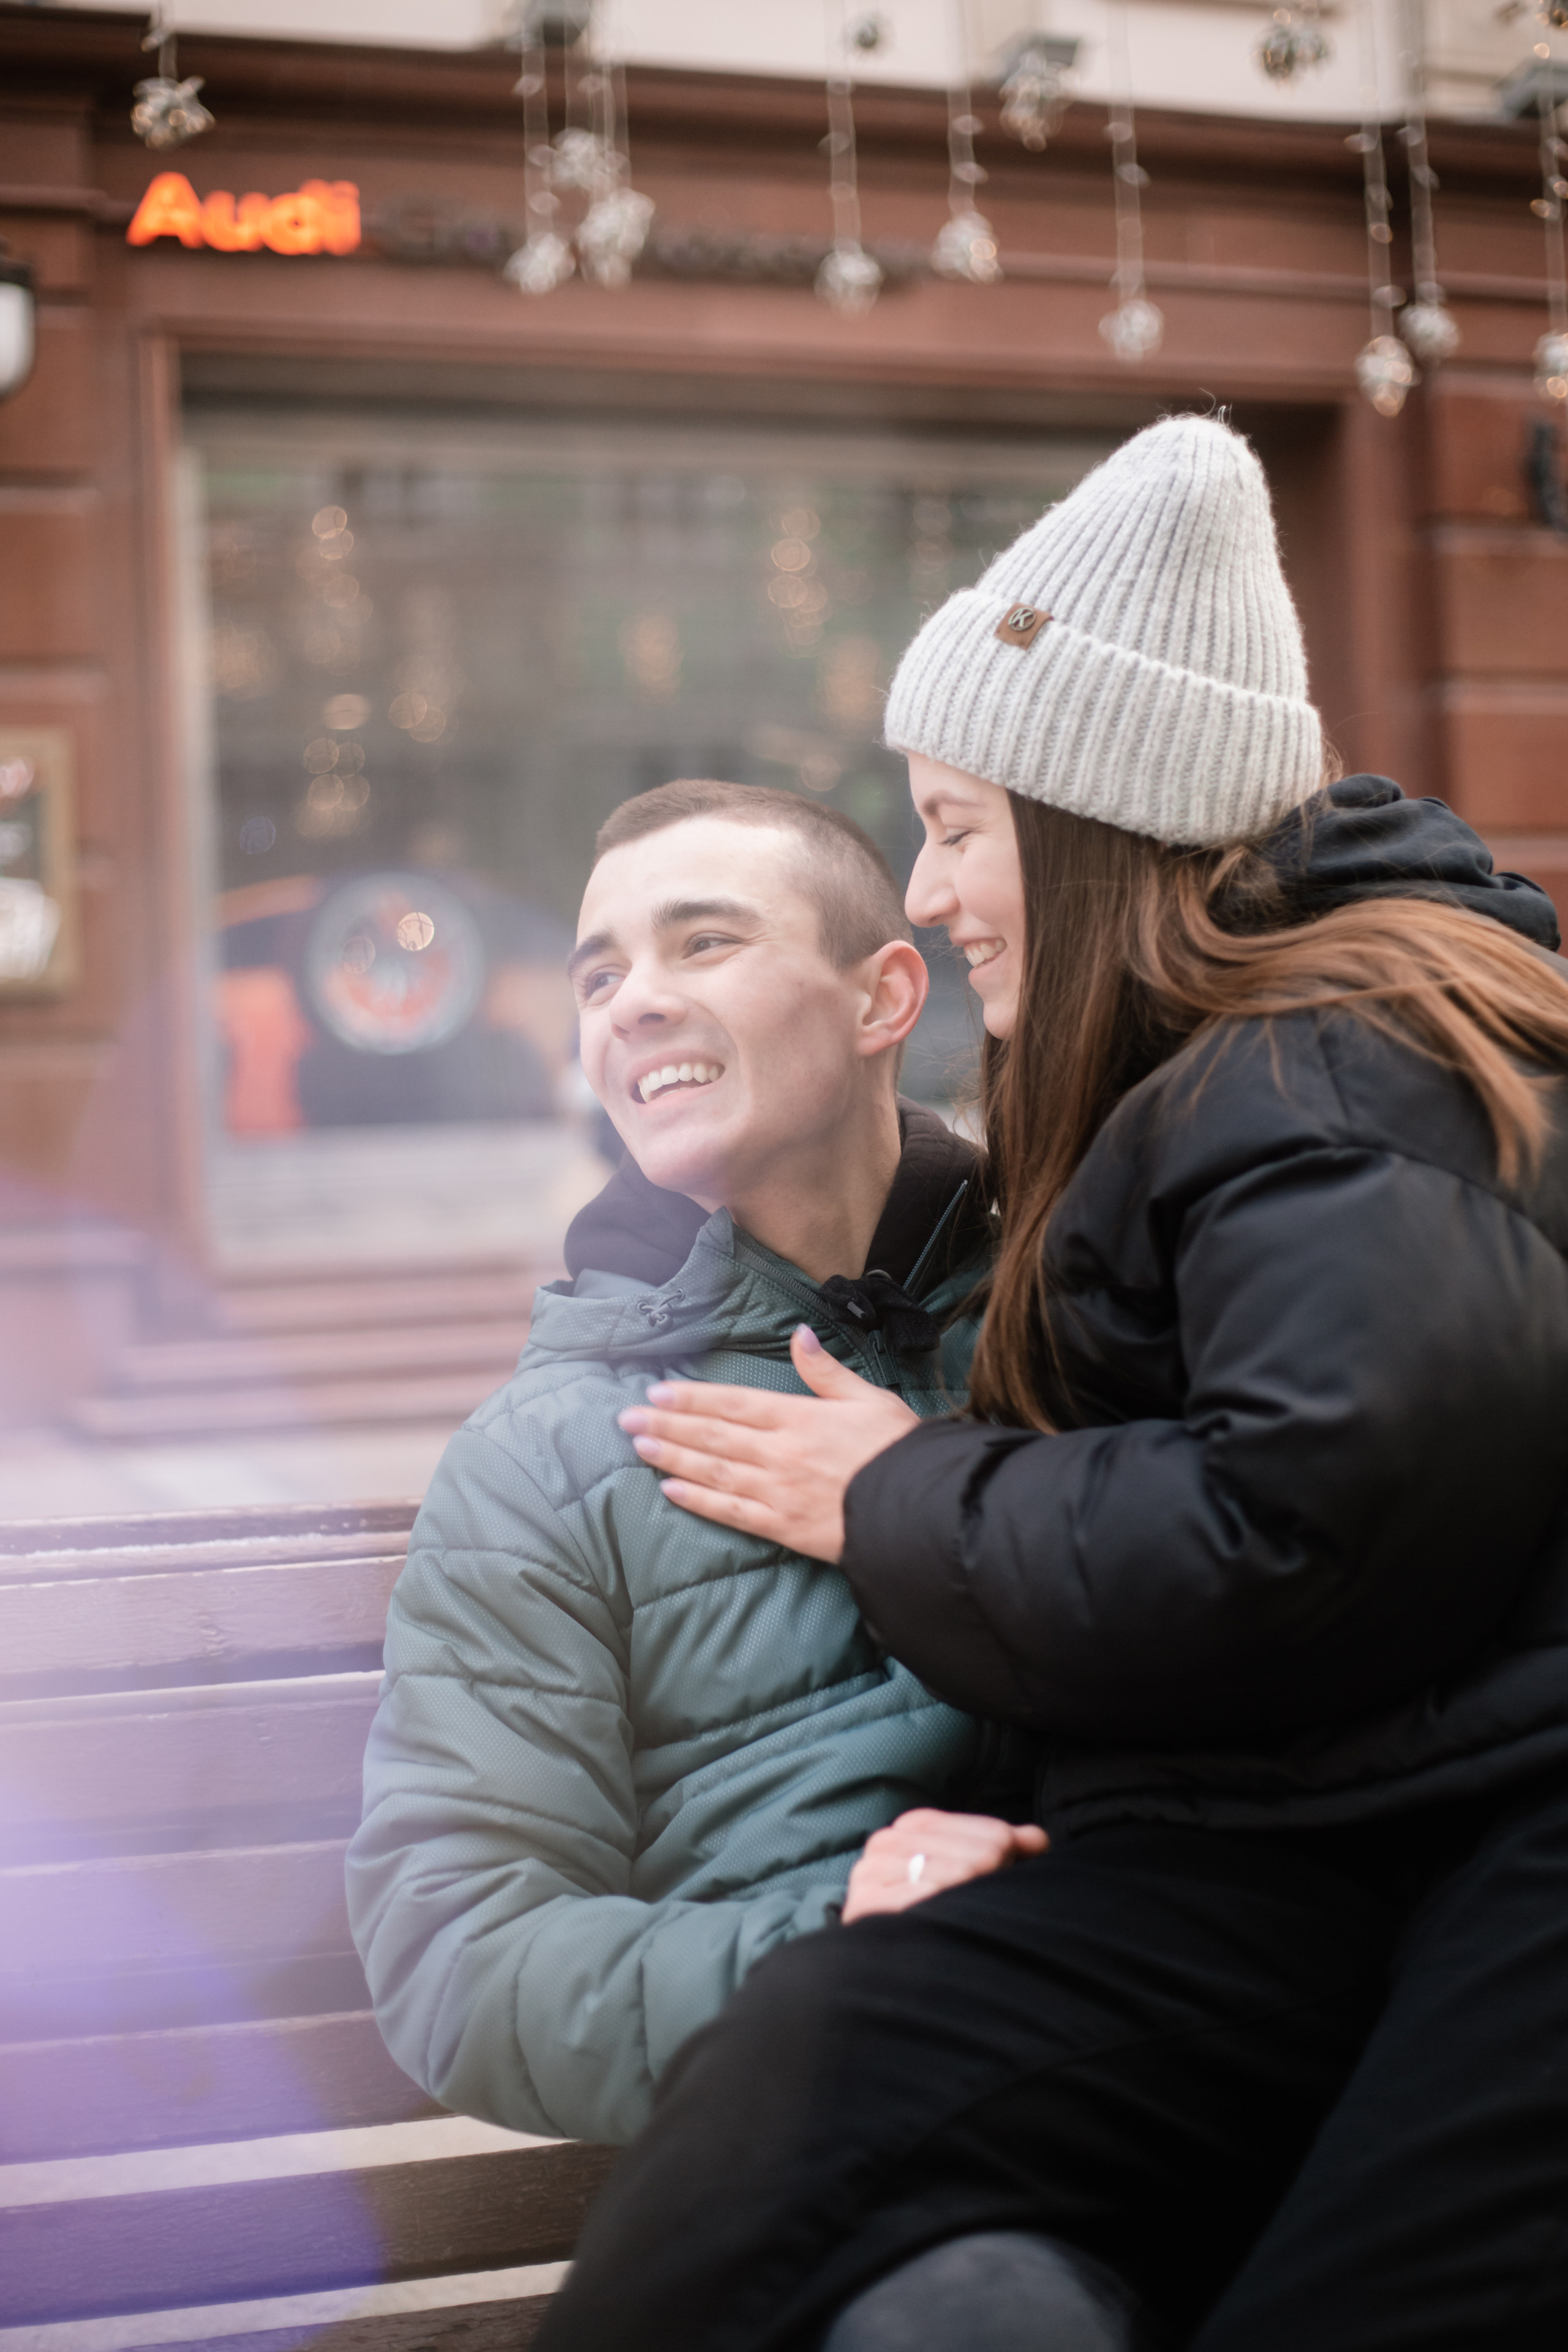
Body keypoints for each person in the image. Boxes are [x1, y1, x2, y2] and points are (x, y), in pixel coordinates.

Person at [537, 418, 1568, 2350]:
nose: (931, 889)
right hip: (1340, 1845)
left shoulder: (1318, 1071)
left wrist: (894, 1493)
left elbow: (1306, 1524)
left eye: (958, 820)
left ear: (1096, 825)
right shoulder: (1253, 1072)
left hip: (1436, 1859)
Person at [345, 778, 1041, 2148]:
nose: (631, 1002)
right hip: (826, 2144)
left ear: (882, 999)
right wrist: (829, 1943)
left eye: (703, 942)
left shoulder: (1066, 1320)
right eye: (599, 973)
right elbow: (459, 1962)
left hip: (1151, 2058)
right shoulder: (540, 1461)